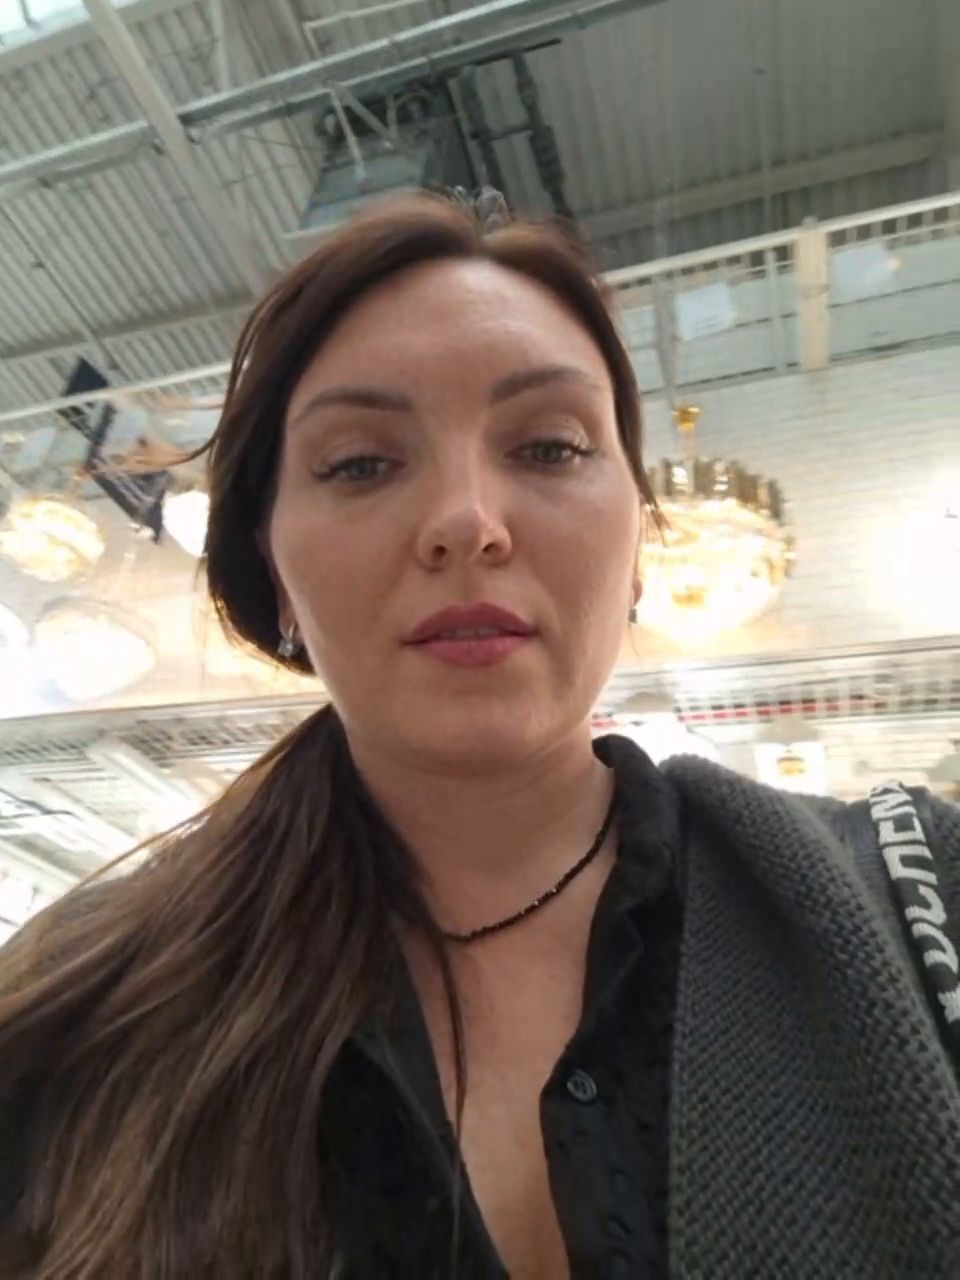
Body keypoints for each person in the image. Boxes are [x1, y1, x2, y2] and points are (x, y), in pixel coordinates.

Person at [0, 190, 958, 1280]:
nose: (467, 521)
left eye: (549, 446)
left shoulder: (920, 897)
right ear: (275, 575)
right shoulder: (75, 1006)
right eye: (360, 463)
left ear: (637, 548)